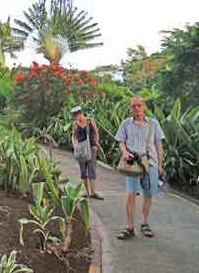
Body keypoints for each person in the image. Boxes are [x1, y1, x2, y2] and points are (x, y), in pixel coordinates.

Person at [115, 96, 165, 239]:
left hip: (151, 163)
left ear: (144, 106)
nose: (136, 108)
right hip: (133, 164)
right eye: (133, 106)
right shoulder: (126, 123)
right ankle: (129, 228)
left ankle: (144, 223)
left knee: (148, 194)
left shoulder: (153, 124)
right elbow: (121, 142)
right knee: (131, 194)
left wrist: (160, 165)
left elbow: (159, 146)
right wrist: (124, 152)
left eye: (139, 105)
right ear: (130, 108)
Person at [71, 106, 104, 200]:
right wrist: (74, 146)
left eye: (77, 115)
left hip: (91, 148)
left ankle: (93, 192)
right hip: (80, 149)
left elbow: (96, 133)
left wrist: (96, 145)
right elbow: (73, 136)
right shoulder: (75, 124)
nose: (76, 117)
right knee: (83, 170)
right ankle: (86, 191)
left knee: (92, 169)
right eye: (75, 116)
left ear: (81, 113)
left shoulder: (90, 120)